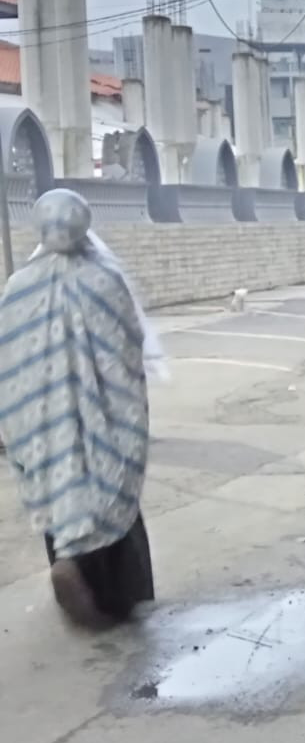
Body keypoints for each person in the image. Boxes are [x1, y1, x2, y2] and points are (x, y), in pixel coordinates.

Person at [0, 190, 154, 628]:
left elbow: (8, 359)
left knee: (60, 487)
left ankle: (69, 561)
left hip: (43, 420)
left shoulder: (17, 287)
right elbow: (128, 348)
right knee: (108, 484)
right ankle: (114, 597)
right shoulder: (103, 279)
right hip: (104, 415)